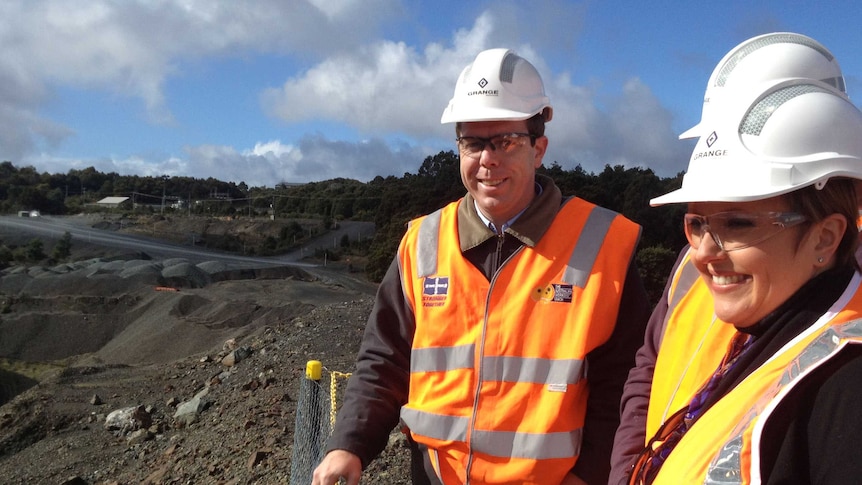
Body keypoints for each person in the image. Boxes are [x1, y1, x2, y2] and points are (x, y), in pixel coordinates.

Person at [311, 48, 650, 485]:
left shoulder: (602, 245)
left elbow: (625, 386)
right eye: (473, 143)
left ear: (539, 148)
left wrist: (589, 475)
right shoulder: (422, 244)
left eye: (506, 141)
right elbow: (384, 361)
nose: (488, 159)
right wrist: (348, 445)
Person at [608, 32, 849, 484]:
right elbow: (648, 368)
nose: (704, 251)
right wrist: (628, 472)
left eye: (739, 223)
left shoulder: (843, 362)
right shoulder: (689, 263)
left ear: (826, 236)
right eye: (695, 221)